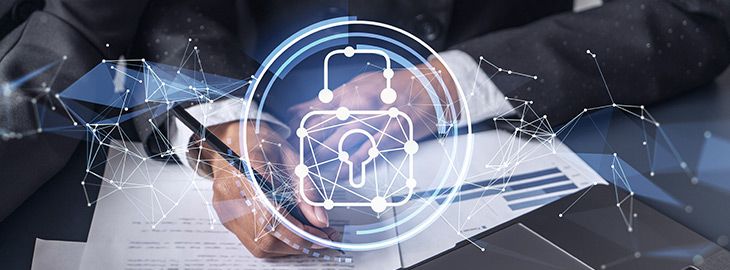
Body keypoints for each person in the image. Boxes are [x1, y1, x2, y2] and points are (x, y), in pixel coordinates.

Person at [0, 0, 728, 258]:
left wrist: (448, 85)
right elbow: (173, 9)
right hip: (253, 98)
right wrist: (228, 121)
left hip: (525, 137)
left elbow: (701, 15)